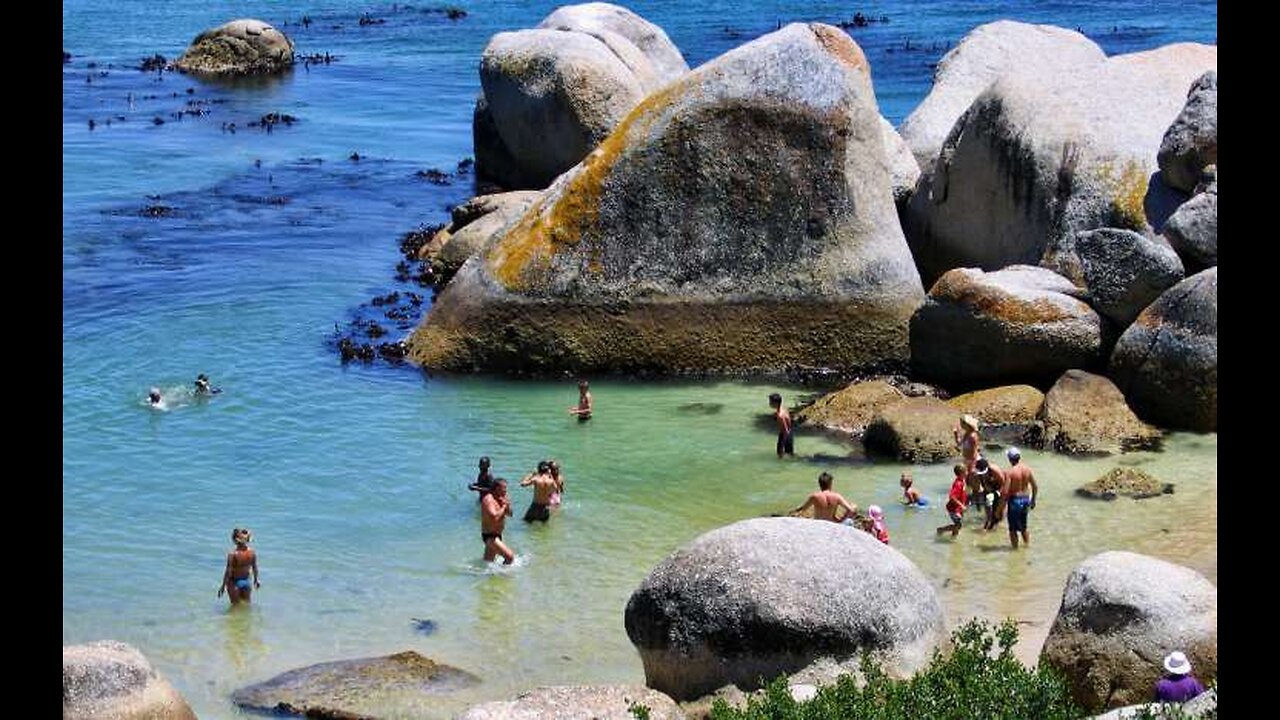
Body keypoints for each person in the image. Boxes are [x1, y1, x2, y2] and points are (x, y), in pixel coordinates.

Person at [1001, 447, 1038, 548]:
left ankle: (1015, 551)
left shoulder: (1009, 472)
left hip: (1015, 501)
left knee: (1012, 529)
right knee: (1024, 527)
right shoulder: (1027, 469)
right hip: (1026, 499)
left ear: (1009, 459)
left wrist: (1000, 508)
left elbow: (1005, 492)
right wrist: (1033, 500)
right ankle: (1026, 546)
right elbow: (1035, 486)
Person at [790, 472, 858, 522]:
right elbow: (851, 510)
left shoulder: (814, 496)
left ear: (820, 484)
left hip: (818, 523)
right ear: (830, 484)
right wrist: (840, 520)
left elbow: (803, 509)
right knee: (853, 506)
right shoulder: (836, 496)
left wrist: (795, 510)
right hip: (832, 522)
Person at [218, 528, 259, 605]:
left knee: (235, 607)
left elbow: (228, 572)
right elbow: (255, 567)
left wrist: (223, 586)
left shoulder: (232, 554)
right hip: (247, 582)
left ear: (234, 540)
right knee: (246, 606)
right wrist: (256, 580)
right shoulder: (252, 553)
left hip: (234, 582)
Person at [481, 479, 515, 564]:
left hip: (498, 534)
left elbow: (510, 514)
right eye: (504, 488)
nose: (506, 490)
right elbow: (494, 517)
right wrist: (503, 507)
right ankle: (503, 577)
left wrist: (507, 505)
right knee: (509, 557)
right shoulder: (489, 499)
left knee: (488, 563)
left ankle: (483, 576)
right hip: (490, 536)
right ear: (496, 488)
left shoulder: (502, 498)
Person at [975, 458, 1007, 531]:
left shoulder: (994, 470)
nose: (982, 474)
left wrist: (999, 494)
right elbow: (976, 488)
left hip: (998, 488)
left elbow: (1004, 483)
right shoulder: (977, 473)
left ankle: (999, 525)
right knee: (988, 509)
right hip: (987, 490)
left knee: (999, 514)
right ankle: (989, 522)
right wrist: (978, 503)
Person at [937, 463, 969, 537]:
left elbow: (963, 494)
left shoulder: (962, 481)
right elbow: (952, 497)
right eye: (966, 471)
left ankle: (953, 537)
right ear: (962, 473)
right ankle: (941, 529)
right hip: (953, 509)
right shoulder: (958, 484)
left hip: (958, 508)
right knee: (959, 525)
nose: (967, 473)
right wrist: (961, 505)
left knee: (957, 525)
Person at [769, 393, 793, 458]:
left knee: (780, 454)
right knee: (789, 454)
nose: (769, 403)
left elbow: (786, 429)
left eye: (770, 402)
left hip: (785, 434)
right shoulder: (783, 409)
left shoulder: (780, 415)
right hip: (788, 433)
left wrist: (783, 441)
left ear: (775, 403)